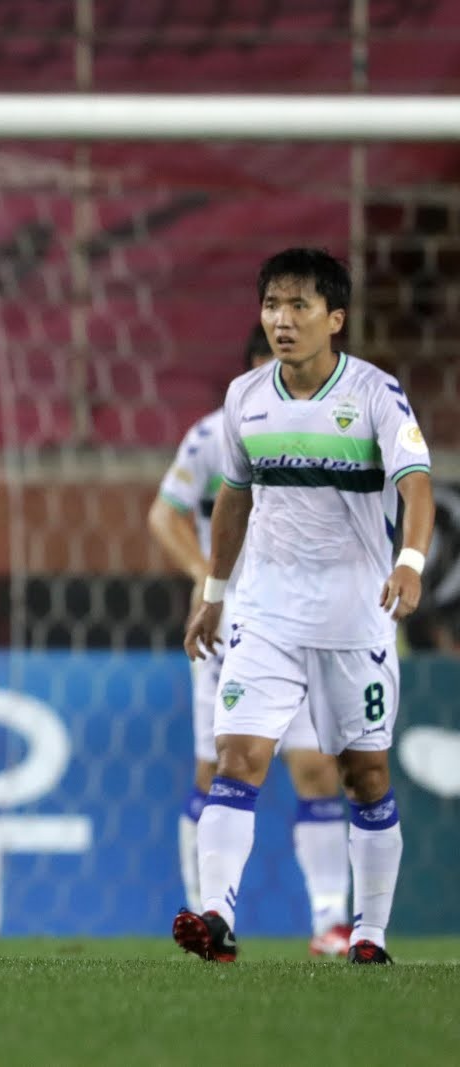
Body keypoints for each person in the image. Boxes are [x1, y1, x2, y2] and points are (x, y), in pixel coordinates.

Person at [178, 247, 433, 965]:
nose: (282, 321)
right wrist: (215, 595)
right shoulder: (245, 398)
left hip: (357, 615)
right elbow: (234, 499)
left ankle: (369, 934)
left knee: (366, 776)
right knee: (239, 756)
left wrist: (408, 565)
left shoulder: (378, 396)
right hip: (266, 612)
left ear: (336, 318)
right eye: (271, 306)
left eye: (299, 306)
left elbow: (417, 487)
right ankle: (216, 920)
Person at [148, 325, 353, 956]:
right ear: (253, 369)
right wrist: (206, 580)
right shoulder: (215, 435)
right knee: (217, 771)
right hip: (233, 621)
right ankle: (210, 919)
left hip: (309, 616)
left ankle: (330, 924)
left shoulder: (339, 430)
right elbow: (164, 514)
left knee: (317, 764)